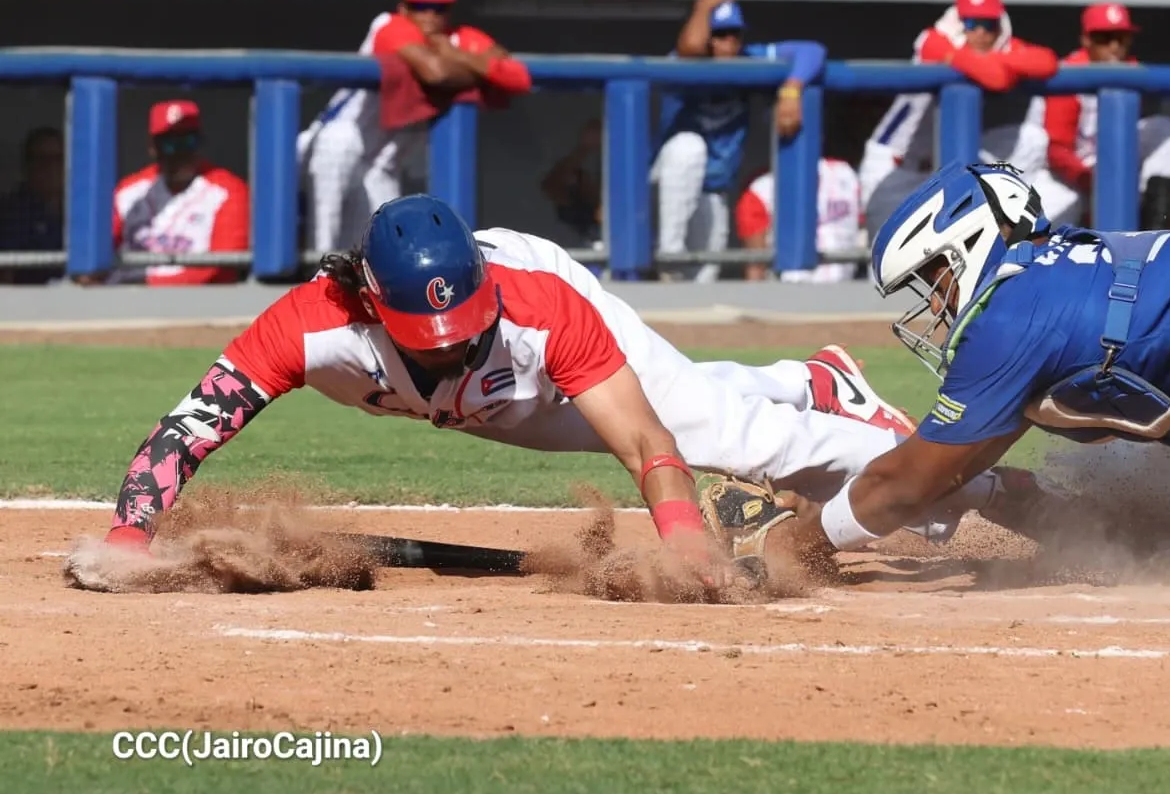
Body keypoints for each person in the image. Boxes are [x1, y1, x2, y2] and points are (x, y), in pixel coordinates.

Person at [101, 194, 1015, 583]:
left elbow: (648, 445)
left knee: (729, 439)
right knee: (695, 400)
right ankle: (804, 379)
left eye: (466, 336)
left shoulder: (539, 310)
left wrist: (685, 539)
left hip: (547, 348)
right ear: (370, 306)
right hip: (507, 400)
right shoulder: (307, 326)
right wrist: (126, 534)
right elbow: (193, 424)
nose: (453, 351)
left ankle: (973, 477)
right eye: (432, 345)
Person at [734, 160, 1170, 609]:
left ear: (967, 240)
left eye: (933, 279)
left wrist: (792, 545)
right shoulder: (1051, 280)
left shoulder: (1010, 313)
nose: (937, 305)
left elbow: (908, 483)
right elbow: (957, 474)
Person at [297, 0, 531, 253]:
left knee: (376, 253)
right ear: (404, 7)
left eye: (439, 7)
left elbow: (518, 77)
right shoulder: (390, 26)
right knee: (339, 147)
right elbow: (437, 72)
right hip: (324, 146)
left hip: (377, 164)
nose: (429, 15)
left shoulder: (457, 39)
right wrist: (479, 67)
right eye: (420, 6)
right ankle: (313, 266)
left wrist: (452, 52)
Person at [860, 0, 1060, 240]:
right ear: (959, 19)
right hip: (893, 166)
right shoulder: (931, 39)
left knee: (1032, 138)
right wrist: (1002, 63)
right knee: (885, 269)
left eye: (987, 24)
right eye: (972, 22)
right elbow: (996, 78)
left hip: (938, 170)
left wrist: (985, 60)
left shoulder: (1000, 42)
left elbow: (1046, 61)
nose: (979, 32)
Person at [652, 0, 827, 282]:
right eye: (720, 34)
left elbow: (812, 51)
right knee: (688, 148)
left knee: (702, 283)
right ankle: (668, 255)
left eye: (735, 33)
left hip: (714, 192)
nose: (729, 42)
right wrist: (703, 8)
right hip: (667, 186)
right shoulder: (685, 62)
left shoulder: (748, 57)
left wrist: (791, 89)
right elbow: (690, 48)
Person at [1029, 3, 1170, 227]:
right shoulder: (1070, 73)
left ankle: (1159, 229)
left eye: (1122, 38)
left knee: (1164, 128)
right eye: (1105, 38)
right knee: (1035, 228)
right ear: (1086, 40)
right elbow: (1056, 151)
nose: (1114, 47)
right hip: (1062, 175)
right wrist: (1096, 182)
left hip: (1108, 164)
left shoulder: (1130, 69)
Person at [108, 100, 249, 286]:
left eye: (188, 142)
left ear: (200, 143)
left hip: (197, 304)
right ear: (152, 148)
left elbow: (222, 270)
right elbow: (98, 253)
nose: (180, 153)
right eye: (169, 144)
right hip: (125, 301)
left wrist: (147, 282)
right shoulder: (128, 191)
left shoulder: (230, 191)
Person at [735, 157, 861, 282]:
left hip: (847, 288)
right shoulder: (759, 192)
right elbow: (756, 270)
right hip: (791, 294)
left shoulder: (845, 174)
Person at [0, 126, 64, 285]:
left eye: (58, 159)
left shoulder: (80, 209)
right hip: (29, 303)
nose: (51, 167)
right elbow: (6, 274)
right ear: (27, 165)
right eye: (42, 160)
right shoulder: (13, 212)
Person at [540, 118, 602, 250]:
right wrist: (585, 148)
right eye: (582, 178)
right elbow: (551, 185)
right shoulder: (577, 213)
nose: (587, 181)